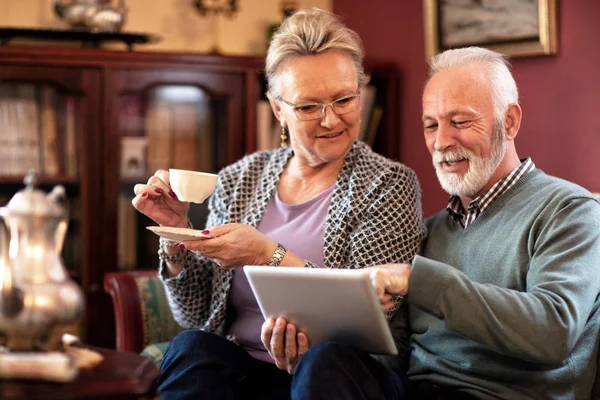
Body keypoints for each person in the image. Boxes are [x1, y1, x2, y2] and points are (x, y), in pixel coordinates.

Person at [131, 8, 426, 400]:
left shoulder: (388, 184)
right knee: (192, 347)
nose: (330, 119)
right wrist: (176, 237)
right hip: (248, 369)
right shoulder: (240, 179)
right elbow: (197, 314)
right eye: (308, 107)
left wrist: (267, 253)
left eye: (344, 99)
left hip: (339, 373)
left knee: (324, 361)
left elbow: (373, 315)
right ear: (278, 111)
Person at [278, 47, 600, 399]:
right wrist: (314, 353)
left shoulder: (570, 211)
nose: (442, 142)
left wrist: (417, 279)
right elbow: (393, 355)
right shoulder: (430, 231)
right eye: (431, 125)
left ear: (509, 122)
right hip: (415, 390)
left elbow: (554, 331)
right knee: (322, 361)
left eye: (460, 121)